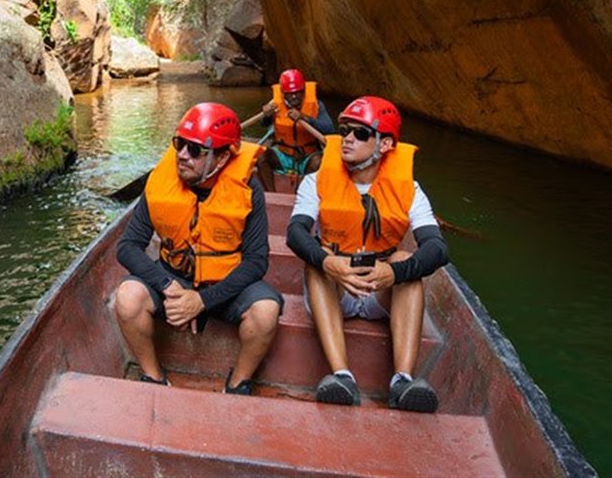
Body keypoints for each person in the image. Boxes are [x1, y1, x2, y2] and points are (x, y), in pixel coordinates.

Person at [285, 96, 448, 412]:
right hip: (336, 287)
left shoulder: (409, 189)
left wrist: (393, 273)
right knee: (315, 261)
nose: (347, 138)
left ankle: (402, 381)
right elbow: (295, 233)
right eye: (345, 130)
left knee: (406, 263)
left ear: (385, 144)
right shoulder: (315, 180)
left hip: (380, 289)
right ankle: (341, 376)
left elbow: (437, 248)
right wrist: (329, 263)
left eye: (360, 133)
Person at [114, 102, 283, 395]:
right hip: (173, 279)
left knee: (266, 311)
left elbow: (256, 261)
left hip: (226, 285)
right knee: (127, 298)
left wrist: (202, 300)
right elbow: (127, 247)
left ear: (223, 157)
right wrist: (168, 286)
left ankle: (238, 383)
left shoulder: (248, 189)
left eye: (194, 150)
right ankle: (153, 377)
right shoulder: (161, 182)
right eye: (180, 144)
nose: (182, 155)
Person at [258, 68, 334, 189]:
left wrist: (305, 118)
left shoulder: (317, 105)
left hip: (307, 157)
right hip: (283, 155)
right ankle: (272, 196)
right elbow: (263, 124)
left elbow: (329, 129)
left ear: (304, 91)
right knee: (261, 157)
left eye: (298, 92)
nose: (294, 96)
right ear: (283, 93)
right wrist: (266, 116)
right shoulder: (275, 104)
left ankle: (304, 193)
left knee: (319, 163)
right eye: (289, 93)